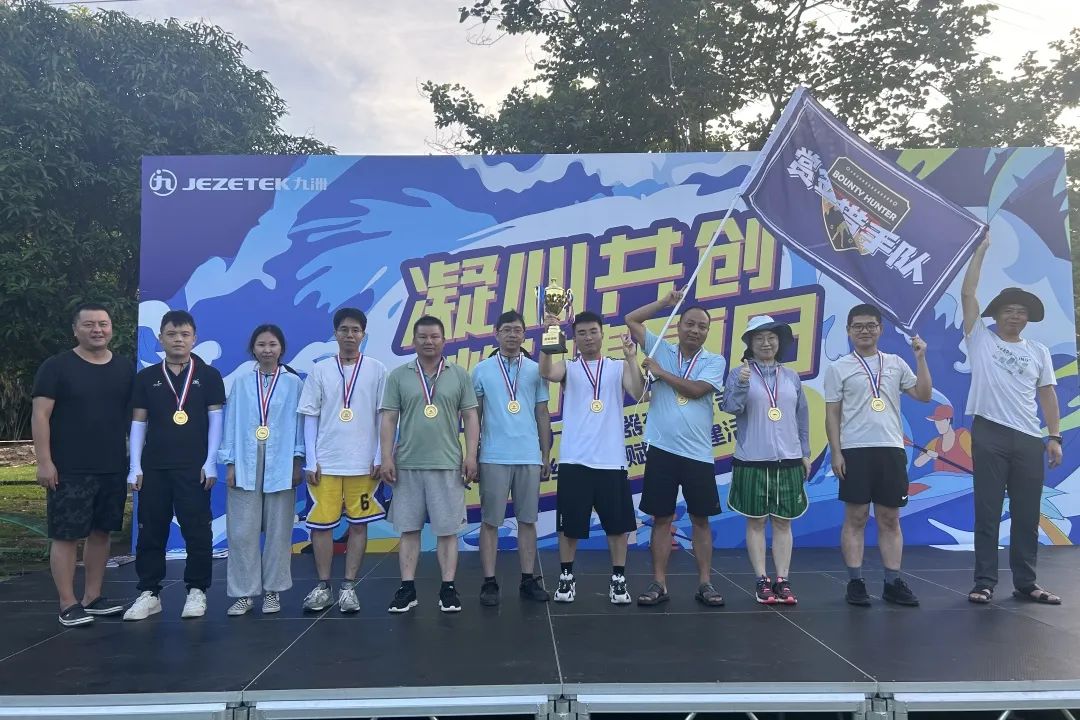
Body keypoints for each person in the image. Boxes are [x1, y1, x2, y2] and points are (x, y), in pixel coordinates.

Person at [961, 231, 1063, 605]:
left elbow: (1047, 394)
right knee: (987, 511)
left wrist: (1055, 437)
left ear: (1027, 318)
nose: (1015, 316)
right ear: (997, 314)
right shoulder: (981, 339)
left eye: (1021, 311)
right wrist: (980, 251)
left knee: (1026, 514)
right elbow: (968, 294)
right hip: (990, 432)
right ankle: (984, 581)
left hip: (1028, 438)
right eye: (1009, 310)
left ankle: (1026, 583)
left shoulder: (1038, 351)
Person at [31, 303, 135, 627]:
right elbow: (40, 415)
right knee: (65, 536)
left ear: (111, 328)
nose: (97, 330)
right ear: (75, 330)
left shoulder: (124, 368)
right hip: (68, 468)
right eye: (89, 324)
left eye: (103, 324)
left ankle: (93, 597)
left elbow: (132, 419)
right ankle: (68, 603)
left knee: (101, 533)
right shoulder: (56, 367)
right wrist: (44, 462)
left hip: (112, 466)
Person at [824, 303, 931, 607]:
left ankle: (892, 582)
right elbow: (832, 414)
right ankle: (855, 582)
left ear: (880, 329)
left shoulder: (896, 363)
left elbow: (924, 395)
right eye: (858, 326)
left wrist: (920, 358)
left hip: (891, 450)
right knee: (856, 517)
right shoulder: (839, 368)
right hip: (854, 451)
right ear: (848, 331)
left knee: (889, 518)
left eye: (870, 325)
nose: (864, 331)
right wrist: (836, 452)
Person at [625, 291, 726, 607]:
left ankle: (705, 583)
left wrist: (661, 373)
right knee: (662, 519)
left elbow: (695, 391)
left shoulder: (714, 361)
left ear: (707, 332)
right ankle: (659, 583)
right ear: (679, 326)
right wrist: (664, 304)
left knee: (701, 520)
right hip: (662, 449)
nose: (695, 330)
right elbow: (631, 320)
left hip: (697, 454)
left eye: (702, 327)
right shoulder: (661, 348)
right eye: (690, 324)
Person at [125, 310, 225, 621]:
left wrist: (210, 462)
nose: (178, 339)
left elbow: (216, 421)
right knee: (151, 531)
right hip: (154, 468)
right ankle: (149, 592)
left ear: (195, 338)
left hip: (194, 467)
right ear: (160, 338)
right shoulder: (146, 377)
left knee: (197, 531)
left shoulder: (209, 375)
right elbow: (138, 423)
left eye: (184, 334)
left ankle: (197, 590)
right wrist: (135, 466)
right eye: (171, 334)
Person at [540, 310, 645, 605]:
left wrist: (632, 358)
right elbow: (546, 372)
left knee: (617, 526)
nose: (588, 338)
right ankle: (566, 577)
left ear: (602, 333)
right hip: (575, 460)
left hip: (611, 461)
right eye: (582, 333)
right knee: (569, 527)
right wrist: (549, 336)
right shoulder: (569, 367)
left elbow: (639, 392)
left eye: (593, 332)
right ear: (575, 338)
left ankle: (618, 579)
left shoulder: (617, 367)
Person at [381, 315, 480, 614]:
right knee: (409, 530)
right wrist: (386, 457)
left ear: (444, 340)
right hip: (408, 464)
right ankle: (407, 588)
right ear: (414, 341)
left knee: (447, 531)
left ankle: (448, 588)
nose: (429, 342)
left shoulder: (459, 375)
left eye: (434, 336)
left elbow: (471, 417)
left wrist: (471, 455)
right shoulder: (399, 376)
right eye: (423, 337)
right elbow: (389, 418)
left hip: (447, 463)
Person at [297, 308, 387, 613]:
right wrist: (311, 460)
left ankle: (349, 586)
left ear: (363, 334)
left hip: (364, 466)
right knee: (321, 526)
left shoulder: (377, 369)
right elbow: (310, 416)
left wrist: (379, 455)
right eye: (344, 329)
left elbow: (384, 416)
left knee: (358, 525)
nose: (350, 335)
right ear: (335, 333)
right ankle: (323, 586)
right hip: (326, 464)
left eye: (356, 330)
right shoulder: (320, 370)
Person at [722, 316, 811, 605]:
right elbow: (730, 407)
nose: (766, 343)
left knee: (784, 522)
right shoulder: (739, 373)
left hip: (789, 459)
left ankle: (782, 580)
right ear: (749, 343)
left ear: (779, 342)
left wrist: (805, 453)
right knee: (756, 521)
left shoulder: (791, 377)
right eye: (758, 338)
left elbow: (802, 417)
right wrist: (741, 384)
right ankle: (761, 579)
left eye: (771, 337)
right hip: (752, 459)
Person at [219, 325, 305, 616]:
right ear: (253, 349)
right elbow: (231, 422)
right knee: (242, 532)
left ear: (281, 348)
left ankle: (273, 591)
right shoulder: (242, 382)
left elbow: (300, 425)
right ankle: (244, 593)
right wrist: (230, 462)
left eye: (272, 344)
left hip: (281, 460)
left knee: (279, 531)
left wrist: (297, 460)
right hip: (246, 459)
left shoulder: (293, 383)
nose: (267, 350)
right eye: (261, 344)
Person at [472, 310, 552, 605]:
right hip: (493, 456)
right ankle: (489, 582)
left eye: (517, 330)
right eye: (506, 329)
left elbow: (542, 414)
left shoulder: (535, 369)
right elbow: (474, 417)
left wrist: (545, 454)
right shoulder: (481, 370)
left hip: (529, 456)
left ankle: (528, 579)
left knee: (527, 521)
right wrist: (472, 455)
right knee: (490, 521)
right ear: (496, 333)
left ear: (524, 334)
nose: (512, 335)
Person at [913, 405, 973, 473]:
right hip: (940, 478)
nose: (938, 426)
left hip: (963, 477)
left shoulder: (962, 435)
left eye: (940, 422)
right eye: (936, 422)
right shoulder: (936, 442)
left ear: (949, 420)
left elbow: (976, 457)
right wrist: (928, 455)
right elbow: (917, 463)